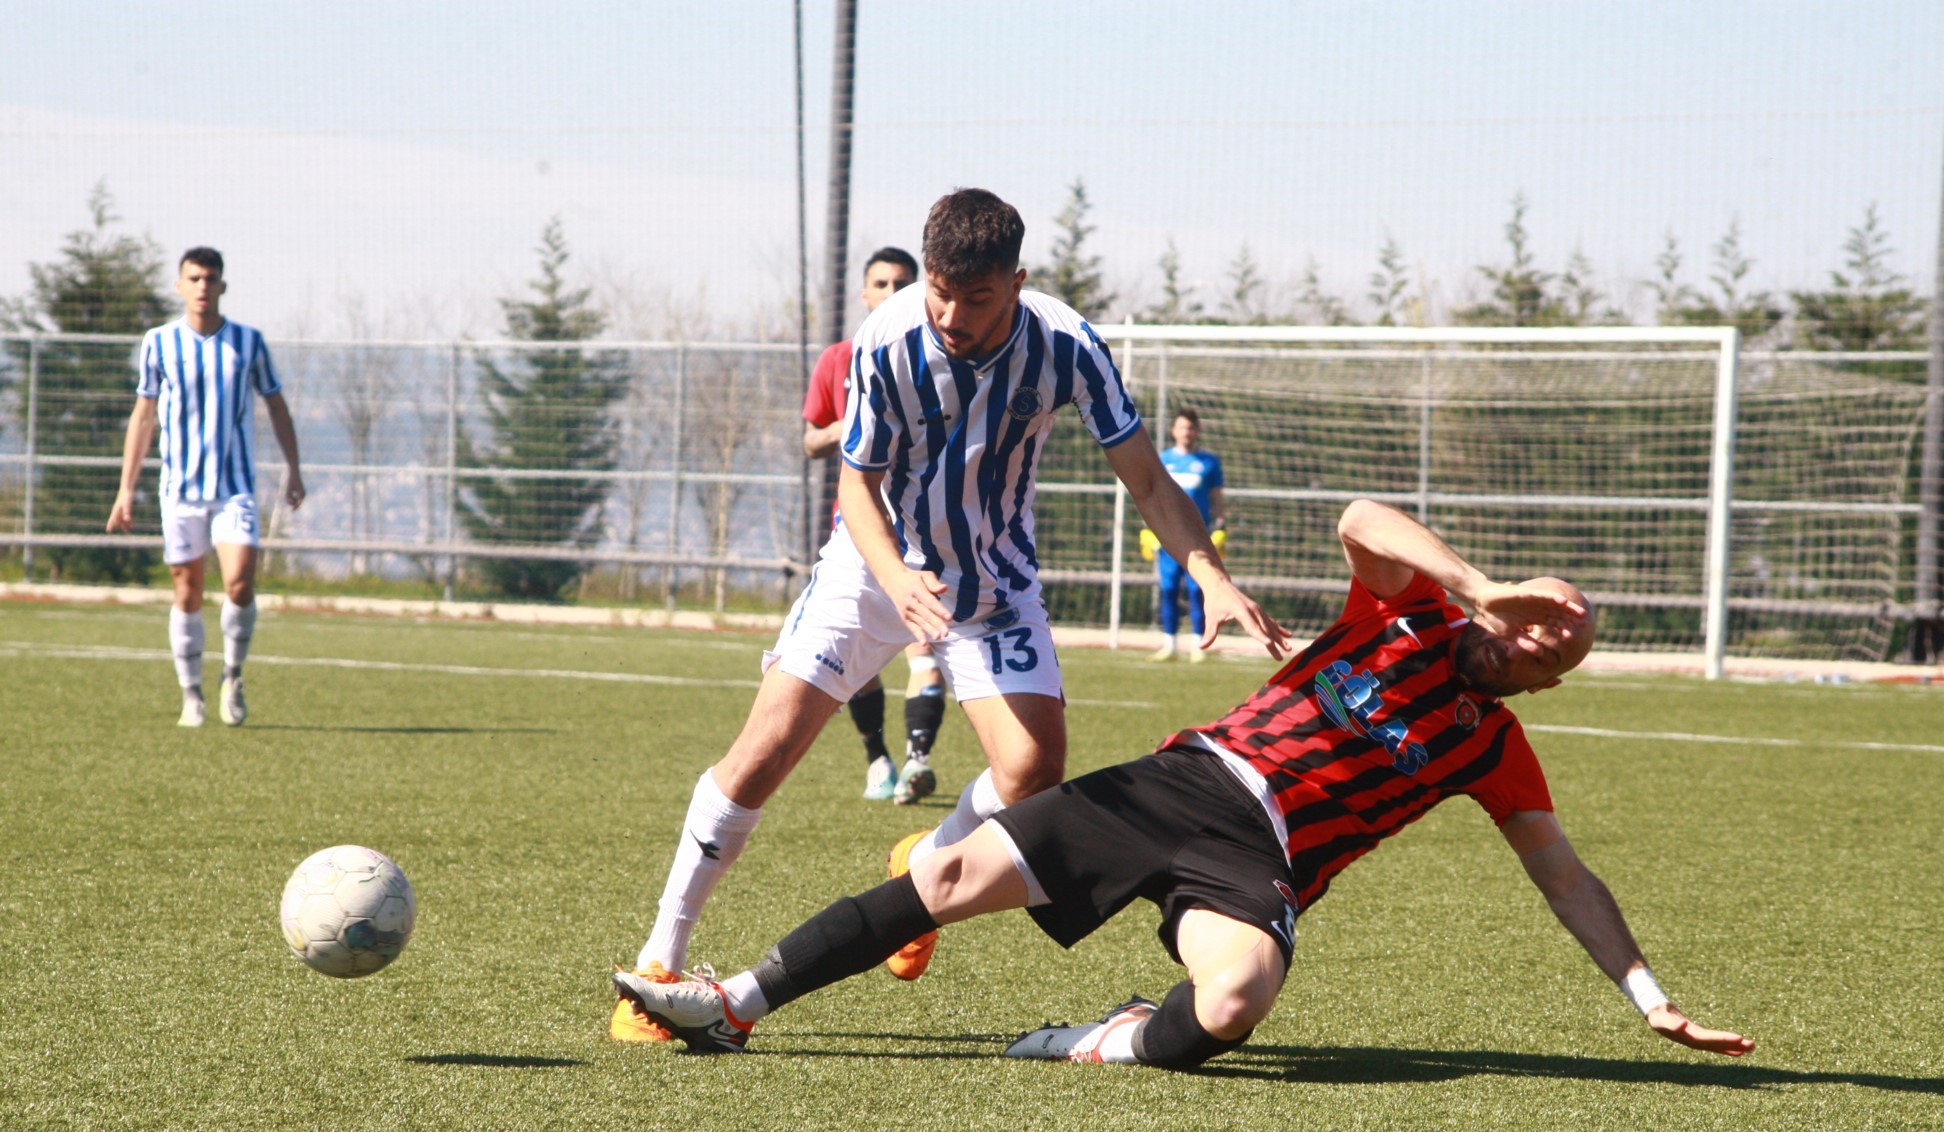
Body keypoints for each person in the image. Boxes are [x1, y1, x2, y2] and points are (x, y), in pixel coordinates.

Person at [613, 499, 1756, 1070]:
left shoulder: (1493, 750)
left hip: (1259, 866)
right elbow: (1360, 517)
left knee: (1234, 1000)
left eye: (1550, 652)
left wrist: (1647, 994)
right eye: (1525, 620)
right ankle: (735, 1005)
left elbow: (1566, 874)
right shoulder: (1404, 612)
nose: (1524, 643)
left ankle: (1094, 1041)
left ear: (1545, 688)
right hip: (1184, 781)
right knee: (949, 869)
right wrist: (1479, 578)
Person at [610, 188, 1289, 1042]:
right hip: (872, 569)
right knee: (763, 754)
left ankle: (927, 867)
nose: (950, 313)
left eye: (976, 297)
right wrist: (894, 577)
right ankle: (660, 962)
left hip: (991, 584)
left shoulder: (1069, 346)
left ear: (1017, 281)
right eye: (940, 290)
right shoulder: (888, 338)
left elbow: (1147, 478)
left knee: (1034, 767)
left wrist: (1210, 575)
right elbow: (855, 484)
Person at [106, 247, 305, 728]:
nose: (201, 286)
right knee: (188, 591)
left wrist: (294, 469)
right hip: (179, 489)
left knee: (238, 580)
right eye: (193, 278)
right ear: (180, 286)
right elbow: (145, 415)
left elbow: (275, 404)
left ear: (222, 286)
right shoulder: (159, 343)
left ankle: (232, 675)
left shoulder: (247, 342)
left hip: (234, 487)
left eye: (210, 278)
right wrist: (125, 490)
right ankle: (191, 693)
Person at [801, 247, 949, 806]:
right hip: (859, 535)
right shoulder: (838, 359)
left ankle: (917, 761)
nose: (891, 293)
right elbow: (811, 440)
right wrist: (851, 425)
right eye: (881, 283)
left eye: (902, 283)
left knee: (924, 653)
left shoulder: (939, 356)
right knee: (854, 667)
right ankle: (879, 759)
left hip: (923, 534)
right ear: (864, 294)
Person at [1145, 406, 1224, 663]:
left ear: (1197, 431)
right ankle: (1169, 644)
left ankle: (1198, 644)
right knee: (1167, 588)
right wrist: (1148, 528)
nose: (1186, 432)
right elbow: (1151, 496)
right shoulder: (1163, 459)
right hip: (1167, 535)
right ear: (1173, 431)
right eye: (1181, 427)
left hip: (1198, 538)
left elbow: (1216, 498)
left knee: (1196, 590)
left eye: (1190, 428)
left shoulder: (1209, 463)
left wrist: (1221, 527)